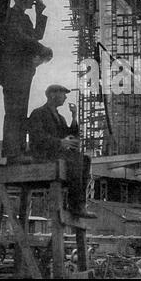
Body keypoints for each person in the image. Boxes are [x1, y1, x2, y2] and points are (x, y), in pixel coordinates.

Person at [0, 0, 53, 161]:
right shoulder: (11, 15)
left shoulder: (24, 18)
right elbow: (20, 37)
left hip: (23, 71)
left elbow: (36, 35)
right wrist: (43, 49)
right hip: (13, 70)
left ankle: (19, 151)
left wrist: (39, 14)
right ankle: (12, 153)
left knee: (19, 111)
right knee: (14, 111)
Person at [28, 84, 96, 219]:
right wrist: (60, 142)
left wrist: (74, 117)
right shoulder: (38, 113)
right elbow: (37, 138)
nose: (65, 97)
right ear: (52, 95)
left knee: (85, 159)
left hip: (57, 154)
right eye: (62, 94)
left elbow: (71, 136)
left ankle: (79, 204)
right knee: (75, 159)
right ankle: (75, 206)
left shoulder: (61, 118)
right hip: (43, 155)